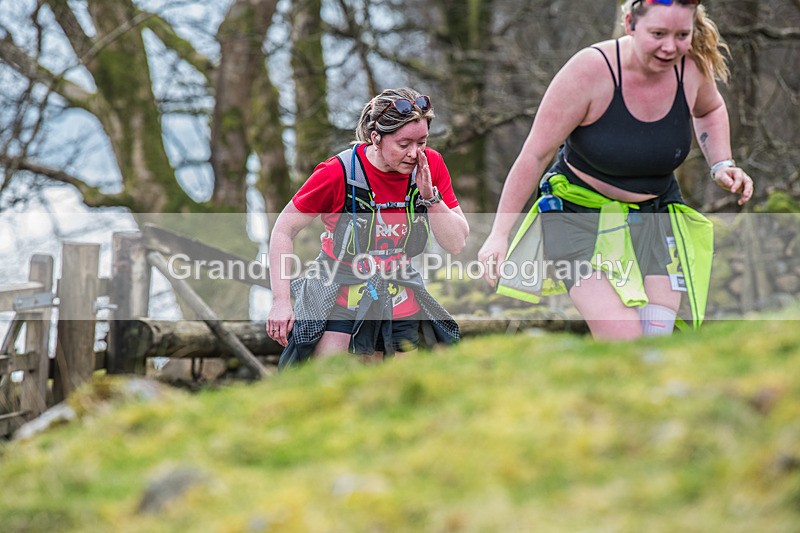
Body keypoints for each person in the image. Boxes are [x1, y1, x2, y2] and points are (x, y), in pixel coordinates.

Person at [478, 0, 753, 340]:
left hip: (654, 212)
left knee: (658, 334)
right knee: (624, 336)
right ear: (630, 23)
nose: (670, 47)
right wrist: (498, 234)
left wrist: (722, 163)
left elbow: (709, 108)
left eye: (682, 34)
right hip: (577, 215)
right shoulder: (590, 71)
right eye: (658, 33)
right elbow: (535, 154)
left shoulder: (691, 67)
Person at [267, 87, 469, 367]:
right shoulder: (338, 172)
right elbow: (283, 229)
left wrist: (430, 197)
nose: (414, 153)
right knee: (331, 391)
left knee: (399, 397)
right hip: (339, 297)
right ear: (376, 138)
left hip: (399, 297)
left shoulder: (429, 166)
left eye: (422, 142)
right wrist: (280, 301)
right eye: (403, 144)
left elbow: (456, 243)